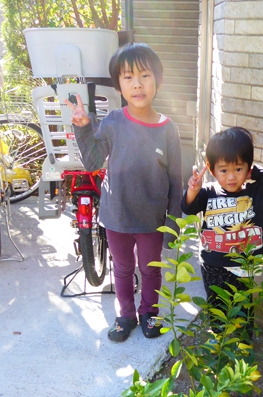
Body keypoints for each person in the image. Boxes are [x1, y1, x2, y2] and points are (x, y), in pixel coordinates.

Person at [64, 42, 182, 343]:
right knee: (123, 269)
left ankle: (149, 313)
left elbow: (175, 180)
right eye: (128, 77)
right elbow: (92, 161)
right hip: (116, 216)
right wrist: (83, 128)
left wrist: (173, 223)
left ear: (158, 80)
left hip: (151, 219)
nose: (137, 84)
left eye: (145, 75)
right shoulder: (114, 121)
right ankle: (126, 315)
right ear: (119, 83)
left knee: (150, 269)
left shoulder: (168, 129)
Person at [182, 127, 263, 336]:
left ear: (248, 169)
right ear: (212, 170)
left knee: (243, 307)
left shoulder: (257, 193)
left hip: (244, 264)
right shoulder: (208, 193)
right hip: (213, 263)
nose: (231, 177)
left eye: (238, 169)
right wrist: (193, 189)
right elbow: (188, 207)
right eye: (223, 170)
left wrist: (250, 169)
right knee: (217, 305)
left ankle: (243, 344)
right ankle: (220, 340)